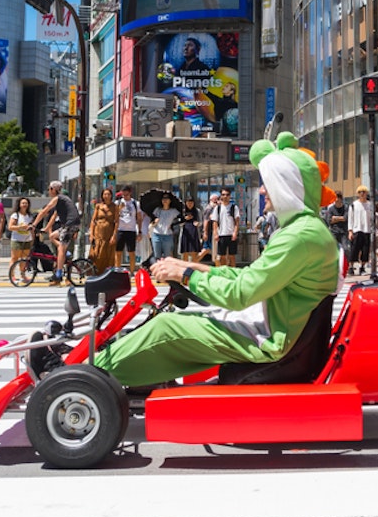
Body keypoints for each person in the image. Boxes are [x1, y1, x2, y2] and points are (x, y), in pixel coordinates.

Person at [85, 131, 340, 388]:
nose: (263, 190)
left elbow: (240, 293)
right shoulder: (304, 231)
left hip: (272, 341)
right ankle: (99, 372)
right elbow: (247, 278)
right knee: (169, 322)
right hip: (277, 330)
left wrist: (185, 276)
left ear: (286, 187)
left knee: (166, 327)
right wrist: (191, 266)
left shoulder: (300, 236)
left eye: (269, 183)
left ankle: (87, 377)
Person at [32, 181, 82, 285]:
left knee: (61, 249)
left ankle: (58, 274)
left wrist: (33, 225)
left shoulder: (58, 198)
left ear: (54, 190)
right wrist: (46, 228)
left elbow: (44, 211)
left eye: (49, 189)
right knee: (52, 236)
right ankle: (66, 254)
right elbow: (54, 216)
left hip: (70, 224)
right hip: (69, 225)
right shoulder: (61, 201)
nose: (48, 191)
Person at [88, 188, 118, 273]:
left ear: (111, 195)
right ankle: (95, 272)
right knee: (96, 254)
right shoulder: (98, 206)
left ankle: (107, 272)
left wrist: (114, 236)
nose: (106, 196)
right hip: (98, 233)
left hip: (109, 234)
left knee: (108, 255)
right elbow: (93, 221)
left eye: (108, 194)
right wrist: (91, 234)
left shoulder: (114, 207)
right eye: (105, 194)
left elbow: (116, 222)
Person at [116, 186, 145, 270]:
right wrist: (119, 209)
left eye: (126, 194)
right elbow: (114, 217)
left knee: (131, 252)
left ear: (130, 193)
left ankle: (132, 271)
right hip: (120, 229)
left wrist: (139, 231)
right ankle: (117, 270)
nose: (125, 196)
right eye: (123, 194)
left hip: (131, 230)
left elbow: (139, 218)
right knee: (118, 252)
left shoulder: (135, 203)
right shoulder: (118, 203)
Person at [347, 185, 373, 275]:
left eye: (364, 192)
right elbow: (350, 218)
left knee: (365, 250)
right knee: (354, 249)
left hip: (367, 230)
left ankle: (362, 267)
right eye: (360, 192)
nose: (362, 194)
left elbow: (372, 218)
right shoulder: (354, 205)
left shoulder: (370, 205)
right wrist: (350, 231)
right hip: (356, 230)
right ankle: (351, 267)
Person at [212, 187, 240, 266]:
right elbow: (215, 222)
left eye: (227, 195)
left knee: (232, 256)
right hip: (221, 234)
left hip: (231, 234)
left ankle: (233, 273)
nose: (225, 196)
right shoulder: (218, 208)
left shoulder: (234, 207)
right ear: (221, 196)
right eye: (223, 194)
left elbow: (237, 222)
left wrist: (235, 233)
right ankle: (225, 272)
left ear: (230, 196)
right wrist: (215, 233)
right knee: (222, 256)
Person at [150, 193, 181, 260]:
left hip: (167, 235)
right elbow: (151, 221)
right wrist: (155, 221)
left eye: (167, 199)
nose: (165, 200)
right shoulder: (157, 210)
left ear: (170, 201)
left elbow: (181, 219)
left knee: (167, 256)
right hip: (156, 234)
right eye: (163, 199)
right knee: (157, 256)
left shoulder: (174, 211)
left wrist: (173, 224)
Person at [8, 197, 34, 268]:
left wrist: (32, 239)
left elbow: (32, 228)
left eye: (26, 203)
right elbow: (10, 227)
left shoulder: (30, 216)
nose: (24, 205)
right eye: (23, 203)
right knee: (14, 258)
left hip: (27, 239)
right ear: (19, 205)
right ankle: (12, 274)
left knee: (24, 258)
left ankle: (23, 274)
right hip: (17, 239)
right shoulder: (15, 215)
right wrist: (21, 227)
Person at [179, 195, 203, 263]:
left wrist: (198, 224)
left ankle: (194, 269)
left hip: (194, 232)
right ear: (185, 203)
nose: (190, 204)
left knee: (194, 252)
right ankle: (185, 270)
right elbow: (179, 223)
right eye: (188, 202)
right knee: (185, 253)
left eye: (191, 202)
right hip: (185, 233)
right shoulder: (183, 211)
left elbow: (201, 222)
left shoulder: (197, 211)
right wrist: (184, 219)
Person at [323, 190, 349, 254]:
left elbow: (345, 218)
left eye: (337, 198)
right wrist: (340, 218)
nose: (336, 200)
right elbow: (329, 221)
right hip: (334, 232)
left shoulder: (345, 208)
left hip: (343, 232)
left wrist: (335, 218)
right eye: (335, 198)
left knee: (345, 248)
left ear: (341, 199)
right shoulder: (331, 209)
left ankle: (347, 263)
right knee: (333, 249)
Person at [201, 192, 221, 263]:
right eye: (216, 199)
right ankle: (195, 261)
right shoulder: (209, 208)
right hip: (210, 232)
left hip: (213, 232)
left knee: (212, 250)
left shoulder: (216, 208)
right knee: (207, 249)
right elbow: (205, 221)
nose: (217, 201)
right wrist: (205, 232)